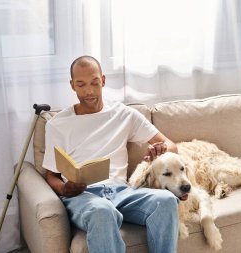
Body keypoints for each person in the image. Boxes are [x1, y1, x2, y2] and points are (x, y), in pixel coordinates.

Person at [42, 56, 179, 253]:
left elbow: (171, 146)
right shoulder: (57, 124)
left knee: (166, 201)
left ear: (103, 81)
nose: (89, 91)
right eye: (81, 85)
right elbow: (51, 175)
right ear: (72, 86)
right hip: (83, 196)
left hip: (122, 191)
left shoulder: (124, 114)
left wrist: (160, 149)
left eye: (94, 83)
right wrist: (65, 189)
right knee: (101, 211)